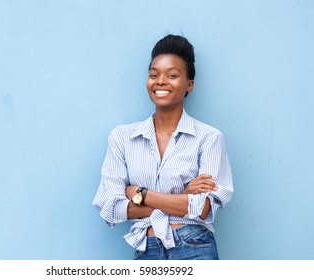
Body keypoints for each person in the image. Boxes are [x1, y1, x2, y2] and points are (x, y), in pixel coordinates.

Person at [93, 34, 233, 260]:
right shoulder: (122, 137)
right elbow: (111, 207)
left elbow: (202, 209)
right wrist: (183, 198)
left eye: (172, 75)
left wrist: (140, 193)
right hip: (145, 248)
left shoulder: (208, 138)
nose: (160, 81)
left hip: (194, 246)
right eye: (154, 75)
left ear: (189, 84)